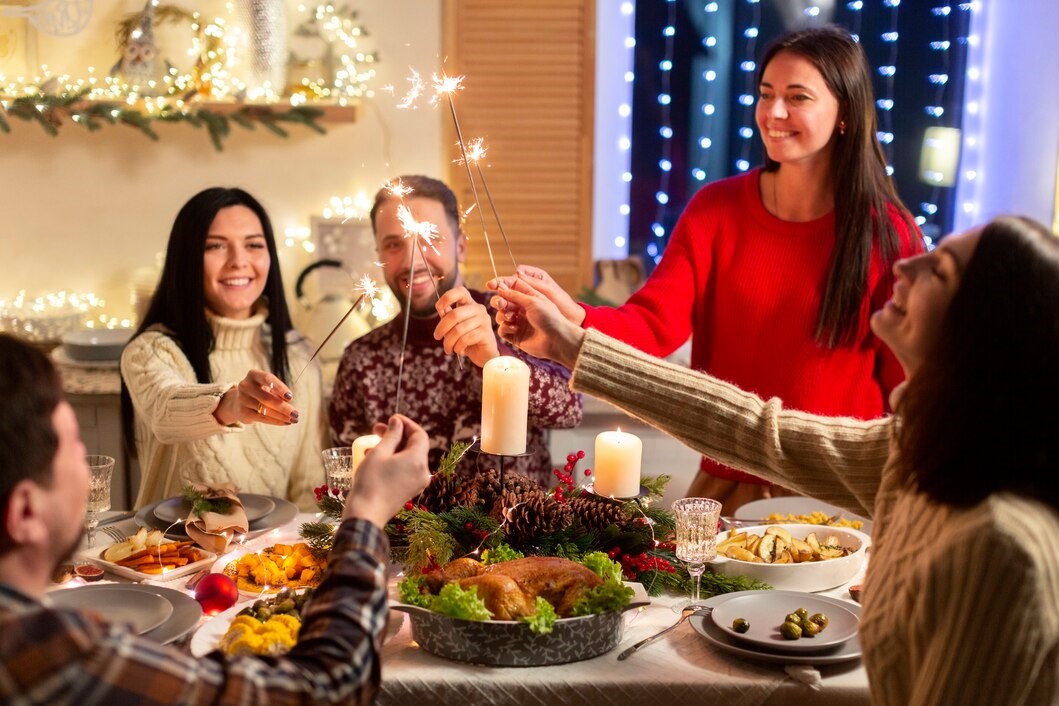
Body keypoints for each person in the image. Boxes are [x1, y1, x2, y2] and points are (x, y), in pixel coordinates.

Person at [493, 214, 1059, 705]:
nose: (905, 266)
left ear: (987, 331)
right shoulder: (917, 448)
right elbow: (756, 431)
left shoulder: (998, 545)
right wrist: (571, 344)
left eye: (939, 269)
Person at [490, 24, 922, 513]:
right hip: (728, 487)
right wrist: (573, 315)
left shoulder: (888, 232)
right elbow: (651, 326)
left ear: (845, 113)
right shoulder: (716, 211)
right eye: (766, 94)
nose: (774, 113)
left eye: (797, 97)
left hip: (840, 499)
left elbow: (905, 385)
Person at [0, 333, 431, 704]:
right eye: (75, 447)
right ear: (25, 512)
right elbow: (324, 690)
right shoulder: (52, 654)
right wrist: (367, 514)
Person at [329, 175, 582, 486]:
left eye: (429, 237)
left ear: (460, 246)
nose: (412, 260)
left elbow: (570, 411)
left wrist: (495, 360)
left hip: (511, 529)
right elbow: (344, 479)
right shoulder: (361, 358)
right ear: (380, 255)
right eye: (394, 244)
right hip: (401, 534)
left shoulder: (515, 318)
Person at [121, 187, 327, 511]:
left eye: (254, 245)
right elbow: (164, 411)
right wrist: (230, 403)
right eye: (216, 246)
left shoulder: (298, 353)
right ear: (187, 258)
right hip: (171, 554)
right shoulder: (151, 351)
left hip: (270, 558)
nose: (238, 261)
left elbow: (309, 489)